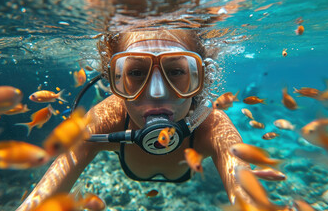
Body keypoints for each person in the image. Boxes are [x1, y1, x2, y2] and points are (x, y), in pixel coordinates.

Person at [17, 29, 250, 210]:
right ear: (115, 81)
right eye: (137, 73)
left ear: (200, 77)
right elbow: (40, 200)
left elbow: (251, 200)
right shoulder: (106, 120)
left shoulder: (213, 126)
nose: (156, 93)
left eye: (176, 71)